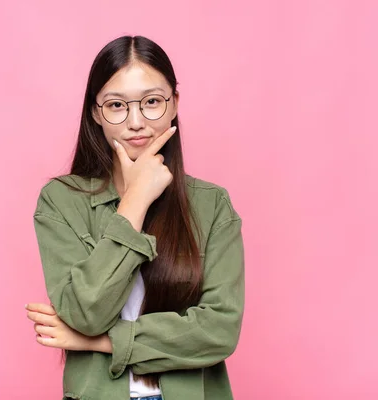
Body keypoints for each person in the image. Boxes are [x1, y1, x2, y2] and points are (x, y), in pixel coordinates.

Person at [25, 35, 245, 400]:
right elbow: (85, 313)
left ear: (175, 104)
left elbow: (219, 330)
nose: (137, 122)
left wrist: (104, 342)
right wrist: (136, 200)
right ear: (96, 113)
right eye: (116, 105)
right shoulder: (62, 202)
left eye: (152, 102)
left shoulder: (212, 206)